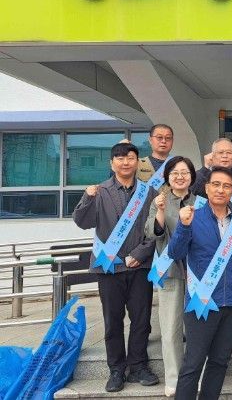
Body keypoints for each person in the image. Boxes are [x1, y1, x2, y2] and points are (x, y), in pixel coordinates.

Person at [72, 142, 159, 393]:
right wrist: (87, 198)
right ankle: (116, 369)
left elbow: (156, 228)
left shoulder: (149, 193)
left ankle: (139, 366)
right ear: (112, 163)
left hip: (139, 266)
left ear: (137, 162)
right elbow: (82, 222)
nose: (125, 162)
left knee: (141, 319)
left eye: (130, 157)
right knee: (112, 320)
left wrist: (140, 254)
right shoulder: (99, 192)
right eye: (119, 158)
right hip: (109, 267)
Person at [168, 166, 232, 400]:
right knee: (193, 364)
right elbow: (175, 253)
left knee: (219, 362)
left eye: (227, 186)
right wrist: (183, 227)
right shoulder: (192, 217)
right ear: (206, 188)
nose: (220, 190)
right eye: (216, 184)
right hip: (202, 302)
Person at [193, 138, 232, 342]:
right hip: (209, 239)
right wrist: (205, 168)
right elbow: (193, 189)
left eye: (229, 153)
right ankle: (205, 326)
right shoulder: (204, 177)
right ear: (212, 155)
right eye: (220, 152)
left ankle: (229, 327)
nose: (225, 156)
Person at [145, 156, 197, 397]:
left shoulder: (202, 201)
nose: (180, 176)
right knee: (171, 327)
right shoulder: (160, 201)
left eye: (184, 172)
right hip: (170, 271)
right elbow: (152, 232)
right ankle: (174, 378)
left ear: (192, 176)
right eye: (174, 172)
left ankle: (195, 375)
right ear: (167, 177)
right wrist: (160, 210)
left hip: (199, 274)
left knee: (198, 328)